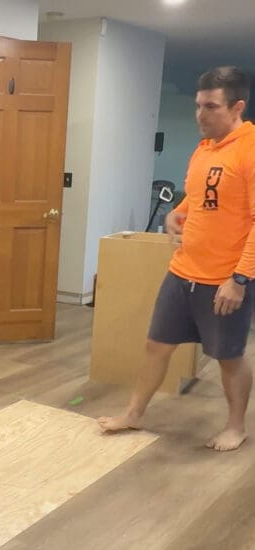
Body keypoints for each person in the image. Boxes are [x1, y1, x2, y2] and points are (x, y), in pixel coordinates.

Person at [98, 65, 255, 451]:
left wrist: (239, 279)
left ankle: (236, 427)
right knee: (157, 345)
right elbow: (199, 199)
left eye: (211, 107)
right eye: (198, 106)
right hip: (182, 271)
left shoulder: (249, 150)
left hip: (224, 279)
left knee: (228, 358)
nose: (201, 115)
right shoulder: (204, 149)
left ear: (237, 107)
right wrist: (176, 212)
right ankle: (134, 414)